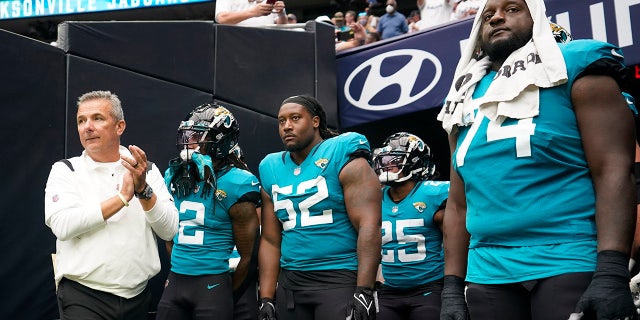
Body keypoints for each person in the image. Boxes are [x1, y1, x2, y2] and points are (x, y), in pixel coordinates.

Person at [437, 0, 637, 319]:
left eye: (513, 8)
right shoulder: (464, 96)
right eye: (488, 15)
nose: (497, 17)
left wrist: (612, 269)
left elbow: (613, 168)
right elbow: (459, 204)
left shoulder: (573, 64)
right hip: (487, 271)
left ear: (538, 18)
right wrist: (450, 287)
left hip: (568, 258)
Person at [44, 90, 179, 319]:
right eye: (81, 120)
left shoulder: (147, 171)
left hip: (138, 298)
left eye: (97, 118)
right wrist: (121, 199)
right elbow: (62, 226)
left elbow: (170, 230)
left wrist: (143, 191)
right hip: (84, 297)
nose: (87, 127)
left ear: (120, 127)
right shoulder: (66, 169)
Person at [257, 95, 382, 320]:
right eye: (281, 121)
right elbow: (270, 239)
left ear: (315, 122)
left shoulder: (341, 151)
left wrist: (364, 289)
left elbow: (369, 224)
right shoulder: (270, 166)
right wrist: (266, 297)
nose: (287, 126)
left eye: (295, 118)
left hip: (338, 279)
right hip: (291, 284)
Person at [156, 104, 261, 320]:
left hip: (213, 282)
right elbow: (169, 235)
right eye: (186, 135)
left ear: (221, 140)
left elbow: (248, 256)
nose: (188, 142)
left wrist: (222, 291)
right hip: (177, 279)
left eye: (197, 136)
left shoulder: (236, 182)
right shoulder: (173, 176)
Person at [371, 132, 449, 320]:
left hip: (429, 286)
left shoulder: (433, 193)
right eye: (385, 159)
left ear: (415, 163)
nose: (386, 165)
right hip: (389, 289)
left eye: (393, 160)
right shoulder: (374, 198)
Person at [215, 0, 287, 26]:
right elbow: (222, 18)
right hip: (237, 48)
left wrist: (281, 14)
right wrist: (253, 12)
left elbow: (282, 25)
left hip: (266, 46)